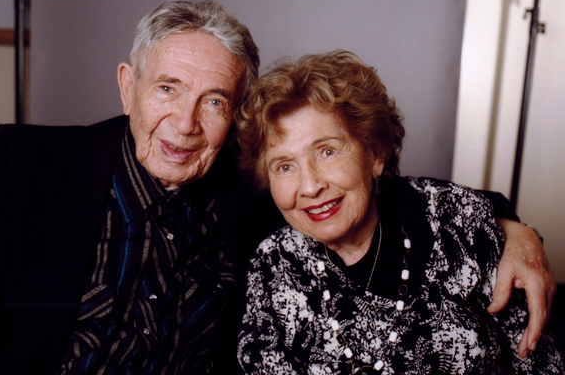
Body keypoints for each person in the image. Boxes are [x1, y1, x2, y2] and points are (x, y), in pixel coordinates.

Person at [0, 0, 554, 375]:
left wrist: (515, 231)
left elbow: (405, 197)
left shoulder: (262, 188)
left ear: (237, 116)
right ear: (127, 86)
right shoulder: (30, 167)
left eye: (214, 101)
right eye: (167, 89)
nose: (185, 124)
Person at [235, 51, 563, 373]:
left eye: (327, 151)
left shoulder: (458, 223)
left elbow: (539, 365)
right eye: (284, 166)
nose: (309, 186)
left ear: (376, 154)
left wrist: (514, 231)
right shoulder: (272, 266)